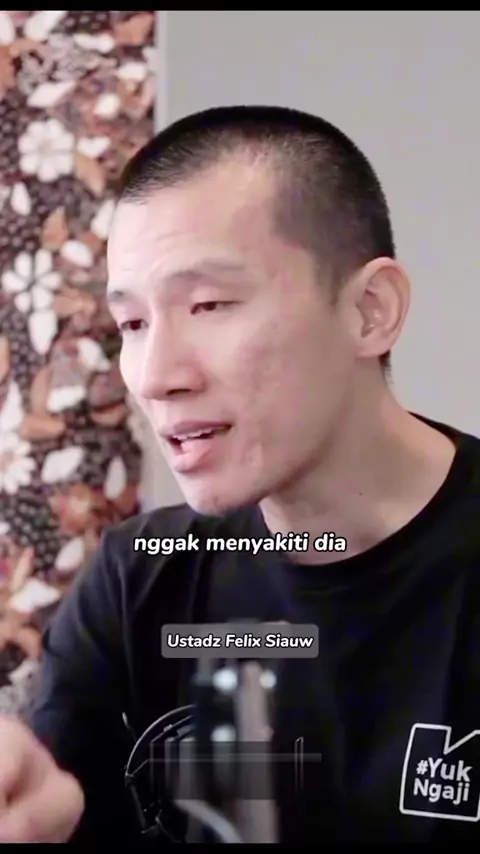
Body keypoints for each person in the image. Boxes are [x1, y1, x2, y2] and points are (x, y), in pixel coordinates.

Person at [0, 104, 478, 845]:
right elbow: (48, 803)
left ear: (369, 311)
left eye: (209, 304)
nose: (155, 376)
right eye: (132, 324)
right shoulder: (144, 576)